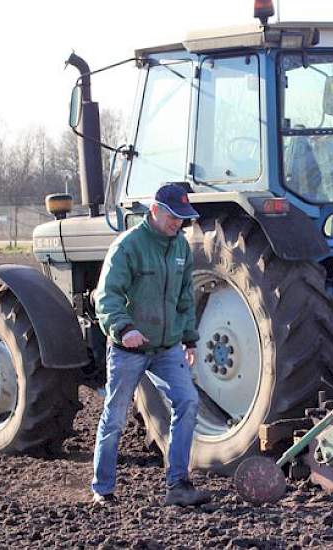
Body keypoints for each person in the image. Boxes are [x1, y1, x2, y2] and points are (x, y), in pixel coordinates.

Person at [90, 183, 210, 507]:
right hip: (130, 348)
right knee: (114, 417)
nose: (178, 224)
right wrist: (124, 328)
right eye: (174, 217)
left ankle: (179, 484)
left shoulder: (181, 247)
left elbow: (185, 298)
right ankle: (103, 489)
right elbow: (107, 296)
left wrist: (189, 338)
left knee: (187, 402)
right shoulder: (128, 246)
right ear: (155, 210)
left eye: (183, 218)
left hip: (167, 348)